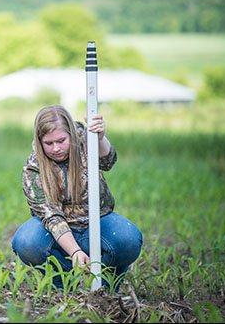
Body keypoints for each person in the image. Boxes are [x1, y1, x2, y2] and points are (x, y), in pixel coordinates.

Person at [11, 104, 142, 290]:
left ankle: (106, 285)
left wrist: (100, 138)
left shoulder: (85, 139)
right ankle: (63, 281)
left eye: (61, 140)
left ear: (71, 134)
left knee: (128, 239)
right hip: (56, 229)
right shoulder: (33, 168)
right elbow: (50, 216)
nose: (56, 148)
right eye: (48, 143)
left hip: (97, 221)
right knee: (26, 242)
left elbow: (108, 162)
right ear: (39, 141)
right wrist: (75, 252)